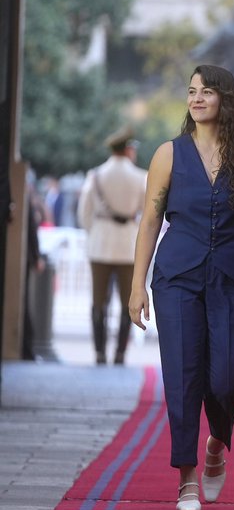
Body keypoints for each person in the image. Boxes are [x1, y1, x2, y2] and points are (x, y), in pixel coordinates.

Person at [129, 65, 234, 510]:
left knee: (227, 375)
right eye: (191, 91)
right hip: (176, 277)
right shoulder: (167, 155)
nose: (196, 99)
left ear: (225, 100)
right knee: (182, 375)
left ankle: (217, 443)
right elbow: (151, 221)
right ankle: (186, 476)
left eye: (206, 92)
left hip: (232, 276)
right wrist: (137, 286)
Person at [78, 127, 148, 366]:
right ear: (128, 149)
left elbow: (84, 213)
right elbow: (145, 211)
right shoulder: (140, 176)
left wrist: (95, 232)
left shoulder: (96, 175)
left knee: (99, 301)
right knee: (126, 302)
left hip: (100, 244)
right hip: (128, 245)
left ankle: (99, 353)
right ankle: (119, 354)